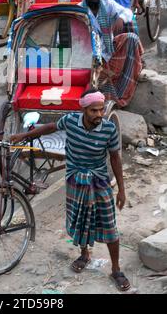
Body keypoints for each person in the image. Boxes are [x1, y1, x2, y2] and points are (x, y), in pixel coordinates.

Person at [10, 88, 131, 292]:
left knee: (109, 226)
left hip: (99, 181)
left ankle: (116, 269)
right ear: (83, 109)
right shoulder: (70, 121)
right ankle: (84, 254)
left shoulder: (109, 129)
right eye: (94, 111)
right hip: (75, 180)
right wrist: (24, 135)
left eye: (101, 110)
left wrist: (121, 190)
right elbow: (49, 127)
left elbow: (115, 158)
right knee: (81, 219)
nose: (99, 115)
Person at [81, 0, 144, 107]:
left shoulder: (107, 3)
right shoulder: (79, 10)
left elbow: (127, 12)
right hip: (89, 56)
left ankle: (138, 62)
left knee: (131, 38)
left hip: (109, 49)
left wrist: (121, 17)